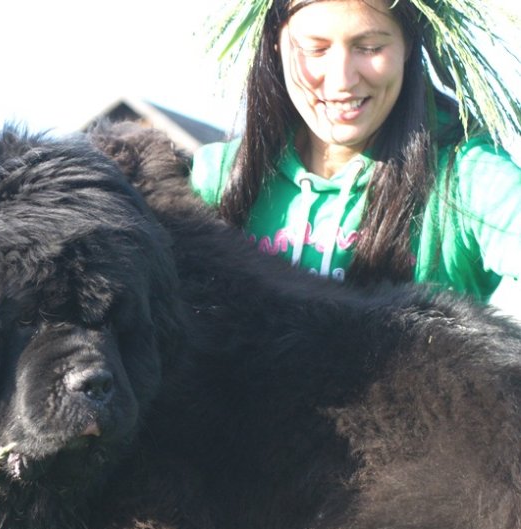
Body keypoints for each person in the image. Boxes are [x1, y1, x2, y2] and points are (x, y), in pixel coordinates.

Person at [191, 0, 521, 305]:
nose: (342, 80)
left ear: (408, 43)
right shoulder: (216, 177)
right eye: (315, 49)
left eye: (370, 48)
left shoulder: (464, 177)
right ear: (275, 43)